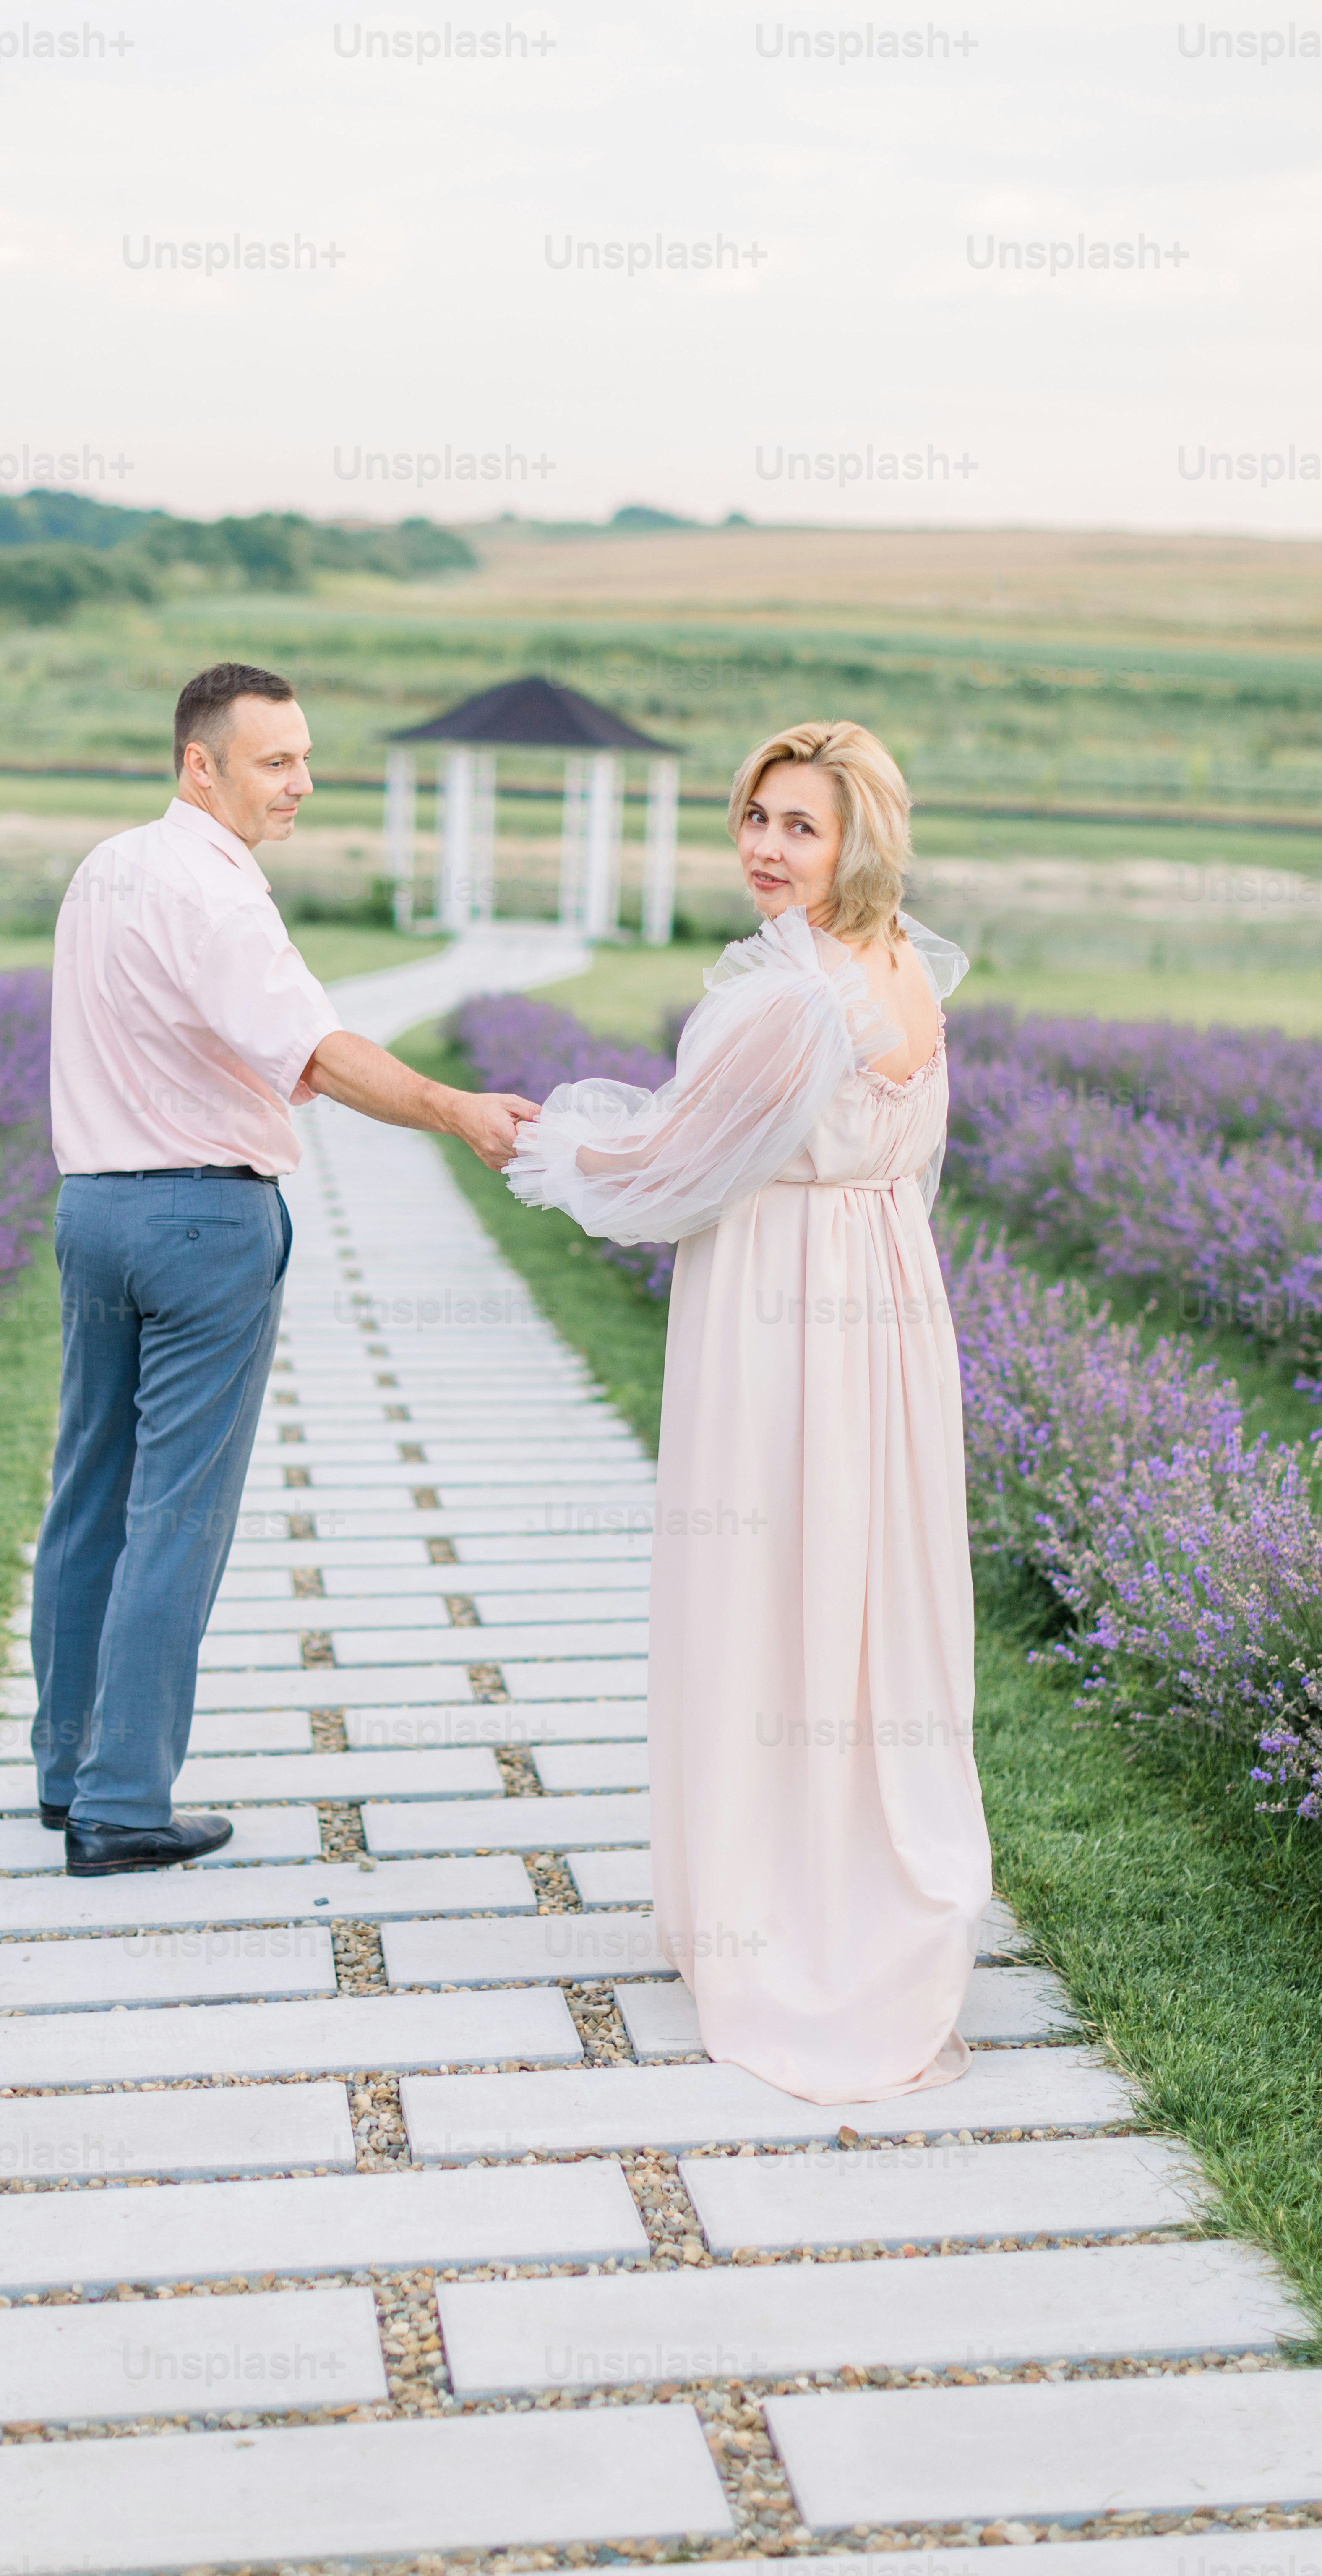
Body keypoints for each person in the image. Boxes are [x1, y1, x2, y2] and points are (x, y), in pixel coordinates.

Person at [507, 720, 991, 2101]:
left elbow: (671, 1162)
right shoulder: (906, 964)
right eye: (758, 819)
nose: (768, 850)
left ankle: (767, 1892)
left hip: (778, 1308)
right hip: (887, 1296)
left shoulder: (794, 993)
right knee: (864, 1576)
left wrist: (539, 1140)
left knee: (765, 1579)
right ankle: (836, 1856)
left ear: (859, 843)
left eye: (802, 827)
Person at [33, 659, 537, 1877]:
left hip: (94, 1209)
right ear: (199, 763)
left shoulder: (106, 870)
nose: (301, 782)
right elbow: (319, 1050)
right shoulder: (217, 895)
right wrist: (454, 1106)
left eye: (306, 757)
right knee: (176, 1513)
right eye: (276, 760)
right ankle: (123, 1805)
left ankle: (66, 1772)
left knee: (89, 1491)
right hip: (202, 1224)